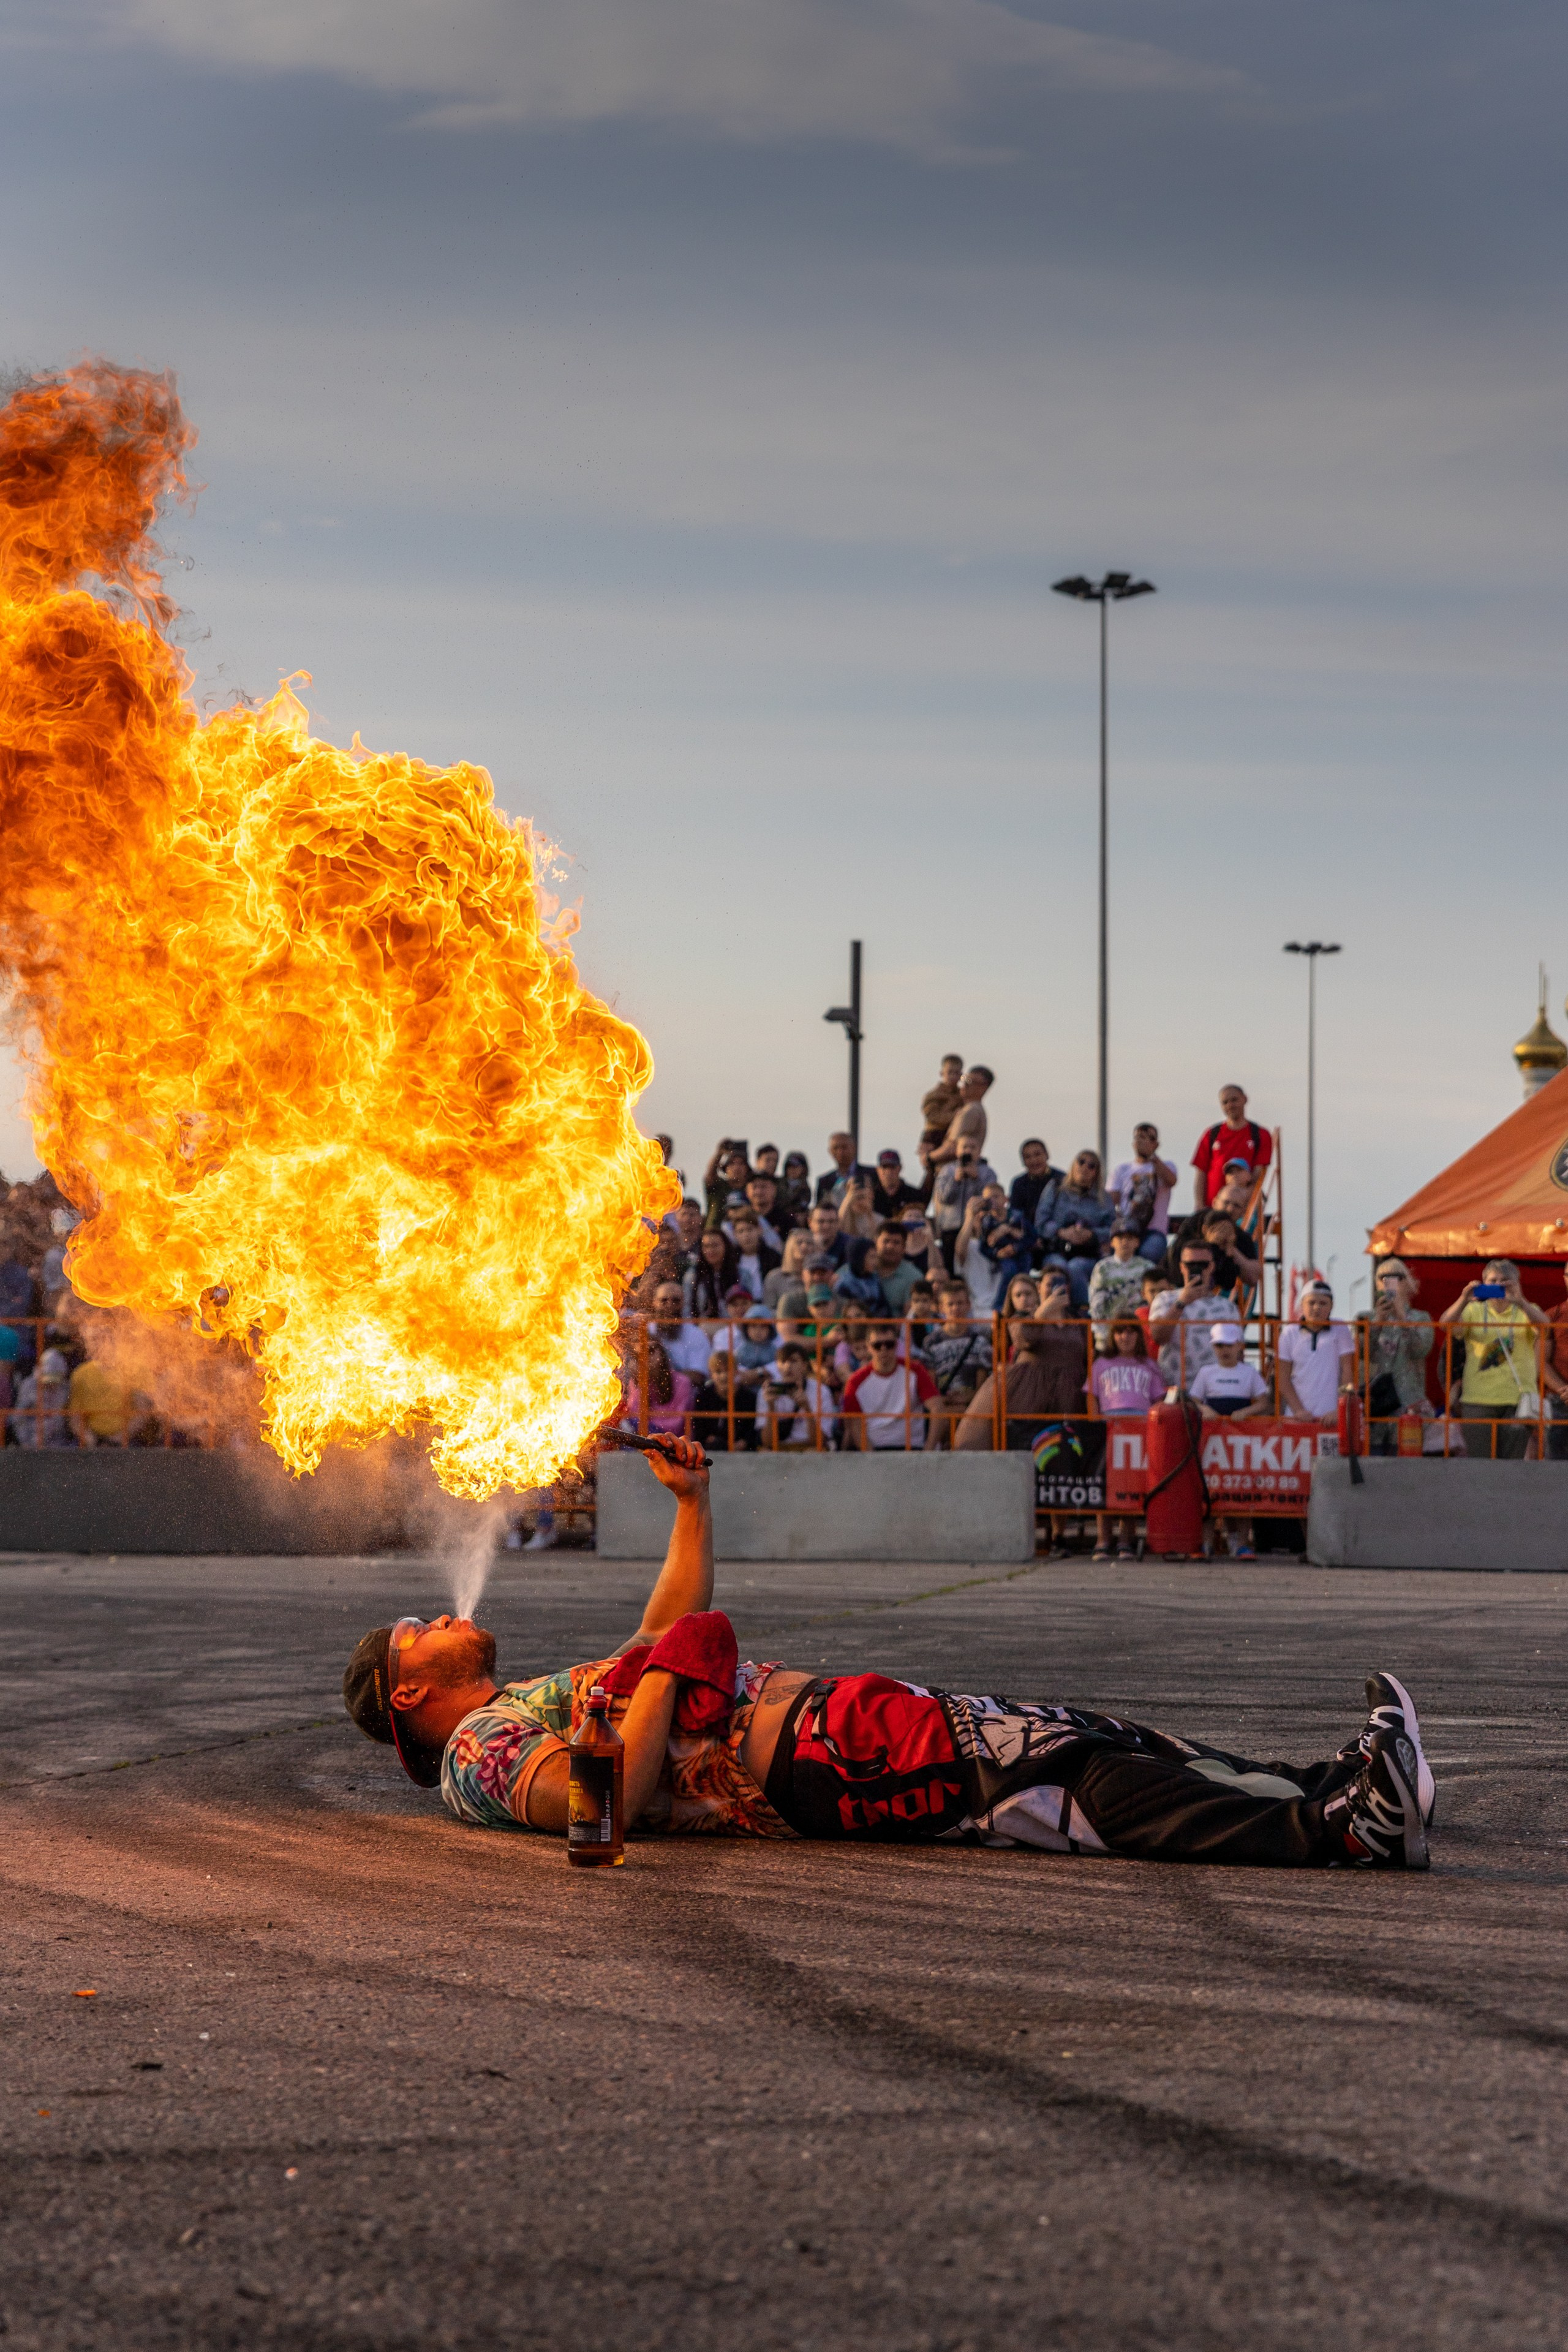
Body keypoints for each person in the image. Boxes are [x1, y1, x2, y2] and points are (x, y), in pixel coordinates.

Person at [350, 1436, 1439, 1869]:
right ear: (410, 1691)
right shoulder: (479, 1753)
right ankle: (1336, 1834)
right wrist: (666, 1673)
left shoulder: (531, 1695)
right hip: (814, 1766)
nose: (444, 1618)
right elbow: (608, 1807)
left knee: (1083, 1734)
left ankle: (1334, 1784)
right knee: (1055, 1783)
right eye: (423, 1629)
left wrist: (691, 1505)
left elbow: (659, 1625)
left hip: (831, 1725)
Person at [1436, 1260, 1550, 1461]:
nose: (1499, 1285)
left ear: (1517, 1283)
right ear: (1483, 1283)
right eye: (1493, 1281)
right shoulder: (1474, 1310)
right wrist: (1464, 1299)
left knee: (1511, 1464)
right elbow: (1446, 1325)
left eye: (1505, 1281)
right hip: (1478, 1400)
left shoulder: (1527, 1309)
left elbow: (1545, 1327)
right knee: (1480, 1466)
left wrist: (1520, 1301)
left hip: (1518, 1401)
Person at [956, 1297, 1085, 1451]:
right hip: (1027, 1391)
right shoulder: (1023, 1317)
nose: (1055, 1290)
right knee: (1018, 1438)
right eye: (1049, 1284)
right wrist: (1043, 1312)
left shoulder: (1079, 1320)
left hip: (1069, 1391)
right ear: (1039, 1288)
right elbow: (1022, 1339)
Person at [1087, 1317, 1168, 1560]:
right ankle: (1103, 1538)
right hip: (1109, 1426)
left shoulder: (1149, 1365)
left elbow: (1159, 1399)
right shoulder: (1101, 1364)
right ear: (1112, 1336)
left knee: (1131, 1486)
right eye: (1120, 1331)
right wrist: (1094, 1422)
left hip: (1140, 1427)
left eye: (1131, 1331)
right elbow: (1091, 1395)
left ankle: (1126, 1539)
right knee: (1104, 1484)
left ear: (1139, 1336)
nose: (1126, 1336)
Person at [1189, 1322, 1270, 1559]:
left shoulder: (1249, 1373)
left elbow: (1264, 1402)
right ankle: (1205, 1542)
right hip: (1212, 1442)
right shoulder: (1206, 1373)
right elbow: (1193, 1400)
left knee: (1243, 1489)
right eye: (1219, 1345)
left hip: (1241, 1442)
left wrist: (1246, 1412)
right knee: (1209, 1489)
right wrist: (1205, 1410)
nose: (1225, 1350)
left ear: (1240, 1347)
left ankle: (1242, 1543)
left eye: (1230, 1345)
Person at [1360, 1259, 1435, 1451]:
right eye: (1383, 1278)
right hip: (1377, 1404)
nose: (1389, 1282)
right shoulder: (1366, 1319)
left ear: (1408, 1282)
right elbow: (1362, 1354)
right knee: (1374, 1462)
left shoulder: (1421, 1318)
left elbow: (1421, 1350)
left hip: (1409, 1404)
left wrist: (1402, 1317)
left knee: (1407, 1465)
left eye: (1396, 1277)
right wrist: (1378, 1323)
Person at [841, 1325, 940, 1450]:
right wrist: (872, 1459)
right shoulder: (855, 1381)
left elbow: (937, 1407)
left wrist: (928, 1450)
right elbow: (854, 1425)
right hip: (876, 1450)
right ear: (869, 1347)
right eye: (877, 1345)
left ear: (897, 1345)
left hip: (912, 1449)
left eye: (889, 1344)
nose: (884, 1349)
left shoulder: (916, 1371)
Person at [1038, 1150, 1114, 1309]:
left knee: (1075, 1268)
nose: (1085, 1167)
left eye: (1091, 1166)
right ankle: (1055, 1315)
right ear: (1074, 1164)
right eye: (1081, 1162)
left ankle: (1080, 1315)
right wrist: (1061, 1232)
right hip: (1057, 1249)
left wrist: (1091, 1234)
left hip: (1087, 1253)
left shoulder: (1103, 1198)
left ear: (1097, 1173)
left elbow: (1112, 1230)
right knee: (1059, 1269)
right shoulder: (1056, 1187)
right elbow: (1041, 1223)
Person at [1148, 1245, 1229, 1390]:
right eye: (1190, 1265)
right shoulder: (1164, 1299)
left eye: (1202, 1265)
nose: (1196, 1269)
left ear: (1211, 1267)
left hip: (1215, 1391)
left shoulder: (1227, 1308)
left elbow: (1237, 1353)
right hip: (1175, 1390)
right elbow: (1159, 1337)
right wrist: (1181, 1302)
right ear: (1182, 1267)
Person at [1276, 1279, 1356, 1423]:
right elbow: (1283, 1378)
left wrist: (1340, 1410)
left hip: (1330, 1418)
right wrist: (1299, 1410)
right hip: (1296, 1418)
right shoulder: (1289, 1333)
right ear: (1302, 1305)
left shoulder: (1340, 1329)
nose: (1317, 1308)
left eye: (1323, 1303)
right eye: (1311, 1303)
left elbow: (1347, 1372)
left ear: (1332, 1306)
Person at [924, 1282, 992, 1436]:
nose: (955, 1308)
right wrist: (944, 1400)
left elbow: (981, 1385)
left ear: (968, 1305)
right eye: (951, 1304)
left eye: (960, 1303)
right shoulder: (931, 1342)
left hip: (971, 1408)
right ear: (942, 1307)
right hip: (942, 1408)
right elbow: (930, 1382)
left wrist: (966, 1398)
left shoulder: (981, 1341)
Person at [1191, 1087, 1272, 1210]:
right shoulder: (1212, 1134)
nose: (1230, 1105)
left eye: (1234, 1100)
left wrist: (1242, 1203)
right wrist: (1199, 1205)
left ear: (1245, 1100)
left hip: (1242, 1209)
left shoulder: (1260, 1134)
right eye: (1225, 1102)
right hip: (1212, 1208)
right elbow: (1201, 1171)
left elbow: (1258, 1175)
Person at [1108, 1125, 1177, 1265]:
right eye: (1140, 1137)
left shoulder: (1167, 1166)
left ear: (1156, 1144)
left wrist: (1152, 1157)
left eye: (1149, 1138)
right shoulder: (1122, 1170)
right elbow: (1110, 1201)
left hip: (1154, 1231)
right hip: (1126, 1229)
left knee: (1149, 1254)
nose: (1143, 1141)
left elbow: (1171, 1181)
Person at [930, 1140, 997, 1273]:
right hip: (950, 1229)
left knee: (974, 1269)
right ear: (957, 1151)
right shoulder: (947, 1171)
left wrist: (976, 1178)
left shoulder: (987, 1172)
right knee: (952, 1269)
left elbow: (991, 1201)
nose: (968, 1151)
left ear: (979, 1151)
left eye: (972, 1147)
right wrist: (956, 1181)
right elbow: (944, 1198)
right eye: (965, 1147)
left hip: (977, 1230)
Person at [756, 1342, 837, 1450]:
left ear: (804, 1365)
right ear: (777, 1366)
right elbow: (767, 1442)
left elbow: (820, 1442)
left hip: (808, 1446)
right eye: (783, 1361)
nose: (788, 1367)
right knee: (766, 1453)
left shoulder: (821, 1391)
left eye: (793, 1361)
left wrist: (807, 1408)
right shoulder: (767, 1391)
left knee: (813, 1453)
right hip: (779, 1447)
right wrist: (771, 1407)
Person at [1087, 1219, 1150, 1347]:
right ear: (1112, 1242)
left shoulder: (1147, 1268)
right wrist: (1103, 1336)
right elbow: (1096, 1304)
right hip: (1108, 1335)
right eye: (1120, 1237)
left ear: (1137, 1242)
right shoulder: (1102, 1268)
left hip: (1138, 1334)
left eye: (1130, 1238)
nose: (1125, 1242)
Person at [620, 1335, 696, 1438]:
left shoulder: (682, 1382)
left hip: (673, 1439)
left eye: (650, 1351)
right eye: (637, 1355)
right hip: (645, 1436)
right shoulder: (635, 1382)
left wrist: (649, 1428)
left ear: (661, 1353)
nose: (645, 1358)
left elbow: (677, 1424)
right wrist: (641, 1382)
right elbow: (635, 1415)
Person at [843, 1221, 920, 1319]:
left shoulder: (914, 1277)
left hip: (893, 1331)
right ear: (875, 1243)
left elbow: (910, 1317)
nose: (890, 1247)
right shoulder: (855, 1268)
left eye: (896, 1243)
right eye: (886, 1241)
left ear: (904, 1247)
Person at [688, 1351, 761, 1452]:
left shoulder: (749, 1398)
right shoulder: (703, 1396)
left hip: (744, 1455)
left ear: (737, 1371)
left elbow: (752, 1431)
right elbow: (700, 1430)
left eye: (728, 1370)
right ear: (711, 1374)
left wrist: (742, 1444)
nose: (724, 1376)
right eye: (718, 1371)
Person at [644, 1281, 715, 1382]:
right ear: (654, 1303)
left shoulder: (696, 1335)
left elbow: (698, 1375)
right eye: (664, 1300)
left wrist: (662, 1379)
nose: (670, 1305)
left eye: (676, 1301)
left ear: (683, 1303)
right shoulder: (644, 1331)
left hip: (687, 1394)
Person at [926, 1066, 994, 1168]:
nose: (964, 1084)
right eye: (964, 1079)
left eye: (970, 1081)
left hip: (954, 1173)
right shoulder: (972, 1109)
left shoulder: (971, 1111)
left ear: (983, 1087)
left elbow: (953, 1146)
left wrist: (929, 1157)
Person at [12, 1344, 72, 1446]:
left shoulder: (65, 1388)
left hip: (59, 1443)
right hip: (32, 1440)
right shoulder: (29, 1386)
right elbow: (19, 1417)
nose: (51, 1384)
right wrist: (26, 1443)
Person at [684, 1227, 739, 1321]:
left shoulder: (741, 1274)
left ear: (725, 1246)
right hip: (702, 1327)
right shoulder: (693, 1276)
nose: (710, 1250)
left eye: (715, 1246)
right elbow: (687, 1310)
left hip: (734, 1328)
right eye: (706, 1246)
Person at [1543, 1261, 1568, 1461]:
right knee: (1555, 1465)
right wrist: (1563, 1391)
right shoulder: (1552, 1315)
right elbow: (1541, 1363)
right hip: (1559, 1401)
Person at [726, 1210, 780, 1303]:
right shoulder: (730, 1259)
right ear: (735, 1234)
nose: (746, 1235)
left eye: (750, 1229)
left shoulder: (773, 1257)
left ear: (759, 1230)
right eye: (741, 1231)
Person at [1009, 1139, 1060, 1235]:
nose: (1034, 1160)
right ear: (1023, 1161)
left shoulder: (1061, 1180)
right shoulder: (1019, 1184)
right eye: (1028, 1157)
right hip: (1027, 1237)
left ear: (1047, 1155)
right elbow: (1016, 1216)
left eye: (1037, 1155)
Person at [918, 1055, 965, 1158]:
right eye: (950, 1072)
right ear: (942, 1073)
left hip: (952, 1136)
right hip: (934, 1136)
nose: (953, 1076)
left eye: (956, 1073)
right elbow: (933, 1116)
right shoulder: (934, 1095)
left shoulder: (963, 1096)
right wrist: (955, 1116)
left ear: (961, 1075)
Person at [702, 1141, 752, 1228]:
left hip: (744, 1236)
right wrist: (719, 1154)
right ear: (726, 1168)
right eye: (732, 1163)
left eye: (741, 1163)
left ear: (747, 1168)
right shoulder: (718, 1186)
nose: (737, 1167)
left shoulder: (752, 1189)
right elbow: (709, 1176)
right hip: (715, 1235)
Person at [815, 1132, 872, 1207]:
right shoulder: (824, 1181)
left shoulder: (871, 1174)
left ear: (854, 1148)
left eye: (844, 1147)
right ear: (830, 1151)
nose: (840, 1152)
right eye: (836, 1148)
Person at [763, 1227, 813, 1308]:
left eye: (809, 1243)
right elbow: (769, 1309)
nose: (804, 1246)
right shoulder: (774, 1278)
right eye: (799, 1242)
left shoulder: (819, 1276)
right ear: (790, 1246)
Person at [870, 1150, 926, 1216]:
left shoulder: (914, 1195)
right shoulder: (871, 1196)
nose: (888, 1172)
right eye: (884, 1167)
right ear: (878, 1170)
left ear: (900, 1168)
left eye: (892, 1167)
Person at [779, 1152, 813, 1220]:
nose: (792, 1170)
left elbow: (803, 1204)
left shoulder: (805, 1187)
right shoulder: (778, 1184)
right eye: (789, 1167)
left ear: (803, 1169)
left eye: (796, 1167)